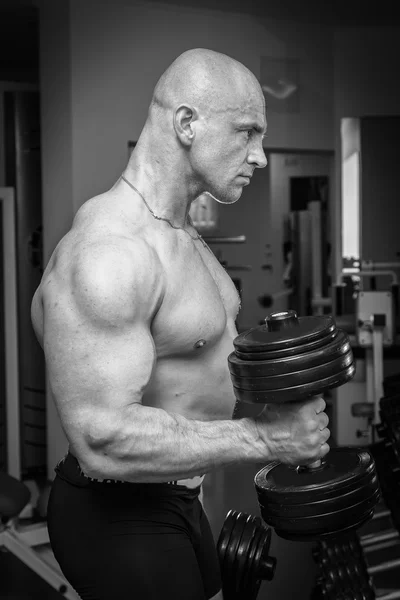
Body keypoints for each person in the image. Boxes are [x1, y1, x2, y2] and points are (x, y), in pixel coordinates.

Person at [31, 48, 330, 600]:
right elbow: (102, 437)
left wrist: (277, 411)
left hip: (179, 499)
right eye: (247, 133)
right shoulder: (110, 254)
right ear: (187, 122)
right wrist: (264, 438)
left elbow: (197, 373)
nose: (260, 157)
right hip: (115, 515)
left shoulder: (182, 236)